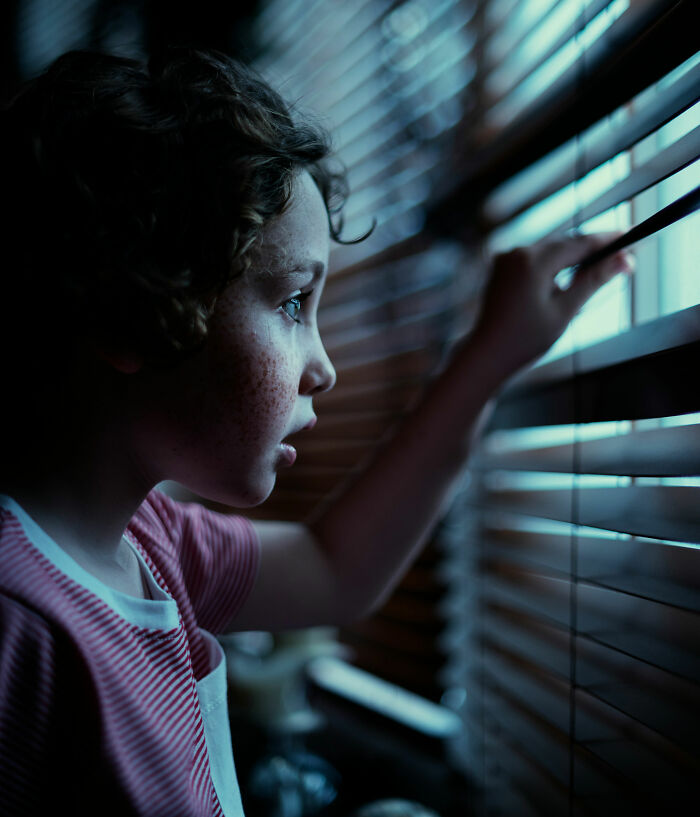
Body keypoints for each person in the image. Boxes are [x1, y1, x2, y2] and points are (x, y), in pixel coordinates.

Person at [0, 48, 634, 816]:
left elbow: (336, 569)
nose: (325, 367)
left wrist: (487, 357)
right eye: (295, 303)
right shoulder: (20, 622)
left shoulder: (148, 540)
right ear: (129, 305)